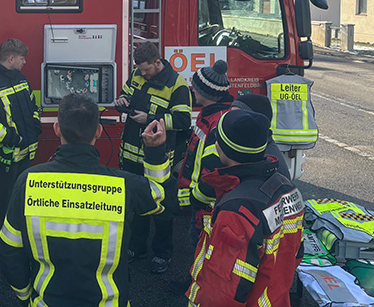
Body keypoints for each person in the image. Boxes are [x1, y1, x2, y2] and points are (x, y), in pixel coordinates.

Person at [0, 93, 170, 306]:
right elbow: (159, 197)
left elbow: (9, 249)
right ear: (98, 131)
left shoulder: (28, 182)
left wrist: (25, 295)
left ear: (57, 129)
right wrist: (155, 153)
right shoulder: (123, 185)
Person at [186, 109, 305, 306]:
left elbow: (221, 292)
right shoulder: (285, 187)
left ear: (221, 148)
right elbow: (296, 254)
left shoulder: (236, 209)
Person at [115, 41, 191, 273]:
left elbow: (182, 121)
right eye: (140, 70)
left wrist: (150, 118)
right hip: (130, 154)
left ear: (158, 62)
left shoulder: (177, 85)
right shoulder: (138, 75)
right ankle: (137, 249)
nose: (143, 74)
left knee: (162, 209)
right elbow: (125, 94)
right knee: (135, 207)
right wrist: (122, 102)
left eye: (147, 69)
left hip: (157, 160)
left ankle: (162, 254)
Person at [0, 38, 41, 257]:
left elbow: (32, 105)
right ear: (11, 58)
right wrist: (14, 139)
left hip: (24, 156)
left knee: (22, 202)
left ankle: (19, 242)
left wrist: (35, 124)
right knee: (1, 204)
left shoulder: (21, 79)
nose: (25, 62)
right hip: (3, 159)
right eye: (22, 58)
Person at [178, 60, 233, 220]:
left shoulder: (218, 122)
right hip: (200, 202)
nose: (192, 89)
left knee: (199, 243)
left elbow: (213, 171)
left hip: (205, 207)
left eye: (196, 87)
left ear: (206, 93)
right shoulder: (209, 113)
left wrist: (197, 199)